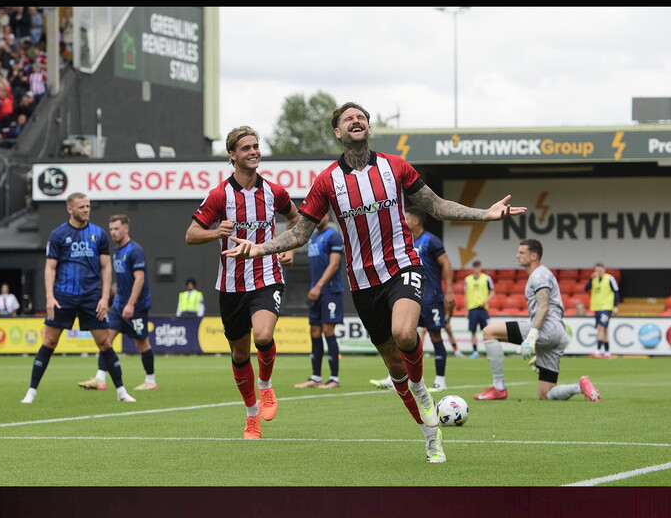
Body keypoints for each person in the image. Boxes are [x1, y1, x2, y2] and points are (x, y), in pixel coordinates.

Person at [221, 102, 527, 463]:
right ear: (338, 132)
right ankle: (430, 435)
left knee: (405, 334)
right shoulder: (326, 181)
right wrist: (258, 249)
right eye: (348, 118)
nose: (356, 120)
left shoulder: (395, 166)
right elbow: (300, 232)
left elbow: (437, 206)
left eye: (361, 117)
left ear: (368, 128)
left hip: (402, 266)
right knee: (394, 364)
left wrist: (485, 215)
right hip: (363, 283)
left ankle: (420, 388)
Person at [185, 125, 299, 440]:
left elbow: (296, 219)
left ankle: (266, 387)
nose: (253, 152)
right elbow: (191, 234)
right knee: (238, 355)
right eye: (246, 148)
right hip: (231, 285)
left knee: (263, 336)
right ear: (232, 155)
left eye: (256, 146)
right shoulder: (219, 195)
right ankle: (251, 417)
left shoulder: (274, 191)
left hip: (267, 276)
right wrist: (215, 233)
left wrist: (288, 247)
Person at [20, 192, 137, 404]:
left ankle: (121, 392)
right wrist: (49, 297)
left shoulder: (99, 234)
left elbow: (106, 266)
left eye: (88, 206)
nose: (86, 210)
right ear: (70, 209)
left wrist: (104, 298)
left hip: (91, 297)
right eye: (82, 207)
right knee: (50, 341)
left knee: (104, 342)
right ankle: (31, 391)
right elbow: (50, 267)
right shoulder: (58, 234)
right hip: (63, 296)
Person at [473, 239, 601, 403]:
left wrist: (532, 336)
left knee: (488, 332)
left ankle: (498, 388)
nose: (517, 255)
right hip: (558, 333)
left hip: (546, 328)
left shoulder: (539, 275)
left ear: (534, 255)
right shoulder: (542, 274)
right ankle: (580, 387)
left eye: (521, 252)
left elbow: (544, 306)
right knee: (546, 394)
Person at [370, 207, 455, 392]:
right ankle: (397, 378)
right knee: (401, 335)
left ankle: (440, 380)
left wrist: (449, 291)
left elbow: (446, 263)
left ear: (416, 221)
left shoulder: (431, 240)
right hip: (409, 295)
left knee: (435, 335)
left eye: (406, 217)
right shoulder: (402, 243)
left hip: (431, 296)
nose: (403, 220)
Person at [78, 215, 158, 392]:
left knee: (142, 343)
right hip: (118, 306)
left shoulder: (135, 251)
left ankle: (150, 381)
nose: (113, 232)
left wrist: (130, 304)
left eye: (116, 229)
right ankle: (100, 378)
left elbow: (140, 279)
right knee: (105, 340)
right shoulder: (115, 251)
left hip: (136, 306)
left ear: (126, 229)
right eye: (111, 229)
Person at [294, 213, 344, 389]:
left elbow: (334, 264)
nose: (317, 217)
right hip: (316, 291)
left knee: (328, 330)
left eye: (320, 214)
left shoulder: (333, 236)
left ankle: (334, 379)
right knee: (314, 331)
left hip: (330, 290)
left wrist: (319, 286)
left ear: (327, 216)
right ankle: (315, 377)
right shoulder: (313, 237)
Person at [585, 262, 620, 359]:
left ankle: (598, 350)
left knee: (601, 327)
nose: (599, 272)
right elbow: (586, 288)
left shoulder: (610, 278)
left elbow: (616, 291)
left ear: (604, 270)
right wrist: (591, 278)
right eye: (597, 270)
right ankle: (607, 352)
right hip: (597, 307)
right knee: (604, 330)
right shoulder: (594, 280)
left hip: (606, 307)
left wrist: (615, 306)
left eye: (600, 270)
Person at [463, 260, 494, 359]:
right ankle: (475, 351)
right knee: (473, 331)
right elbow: (465, 295)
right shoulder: (467, 280)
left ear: (480, 268)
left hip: (482, 308)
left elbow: (492, 292)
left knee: (486, 331)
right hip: (472, 308)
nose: (476, 269)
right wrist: (466, 309)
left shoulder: (486, 278)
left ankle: (489, 351)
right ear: (473, 268)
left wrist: (485, 301)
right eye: (474, 267)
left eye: (478, 267)